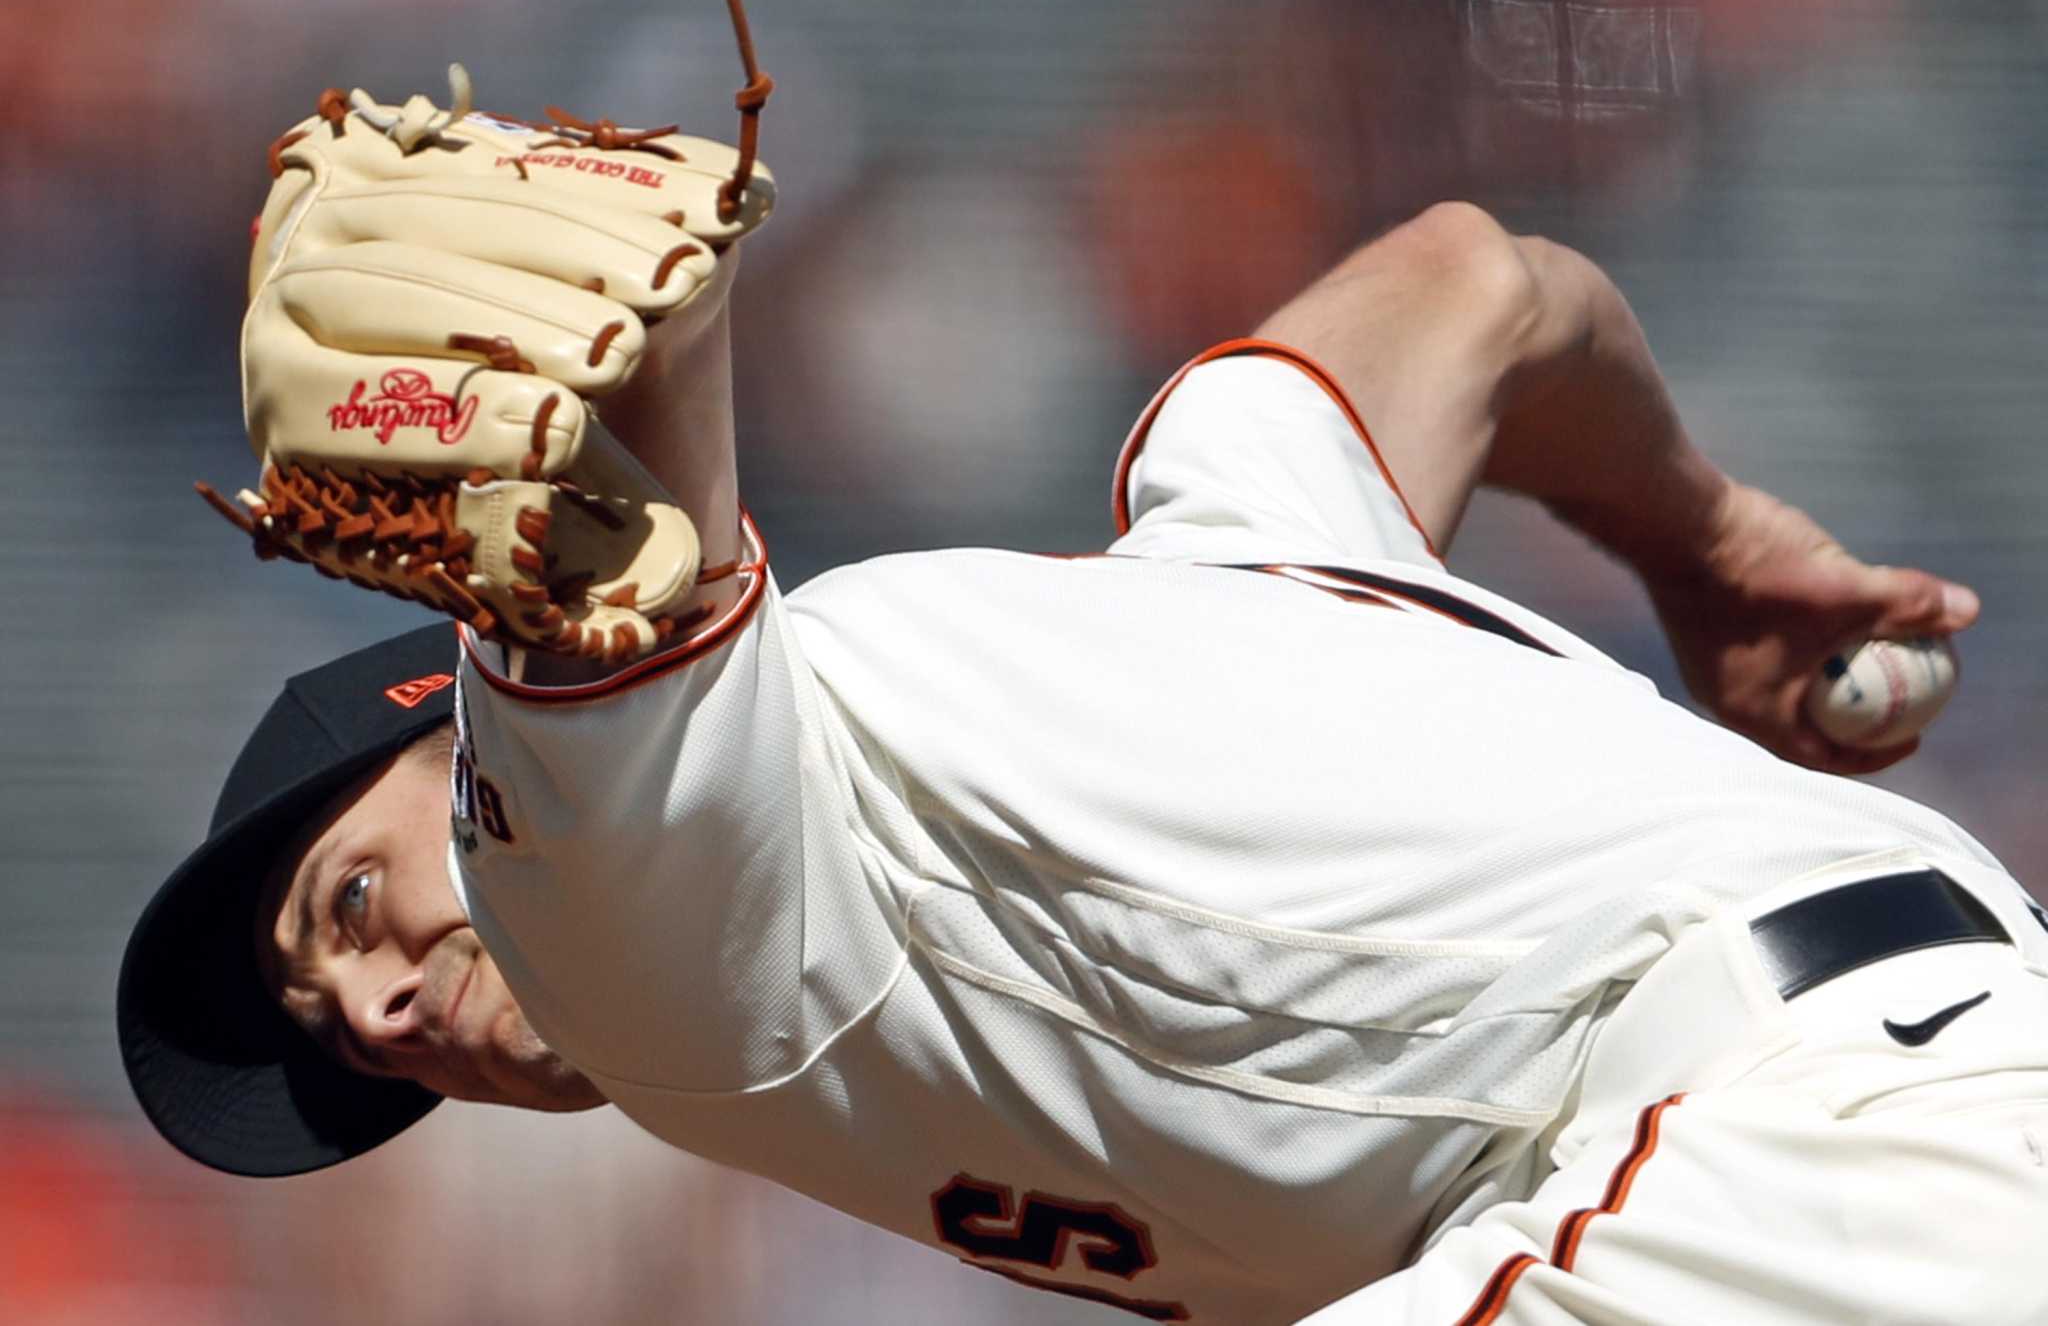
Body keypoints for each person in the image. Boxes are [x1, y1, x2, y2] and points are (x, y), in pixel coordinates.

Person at [121, 198, 2048, 1325]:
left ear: (465, 751)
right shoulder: (1227, 526)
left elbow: (612, 530)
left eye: (349, 898)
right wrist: (1696, 538)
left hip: (1797, 1158)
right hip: (1919, 1099)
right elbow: (1482, 286)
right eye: (342, 1037)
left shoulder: (632, 936)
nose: (373, 1005)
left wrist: (587, 353)